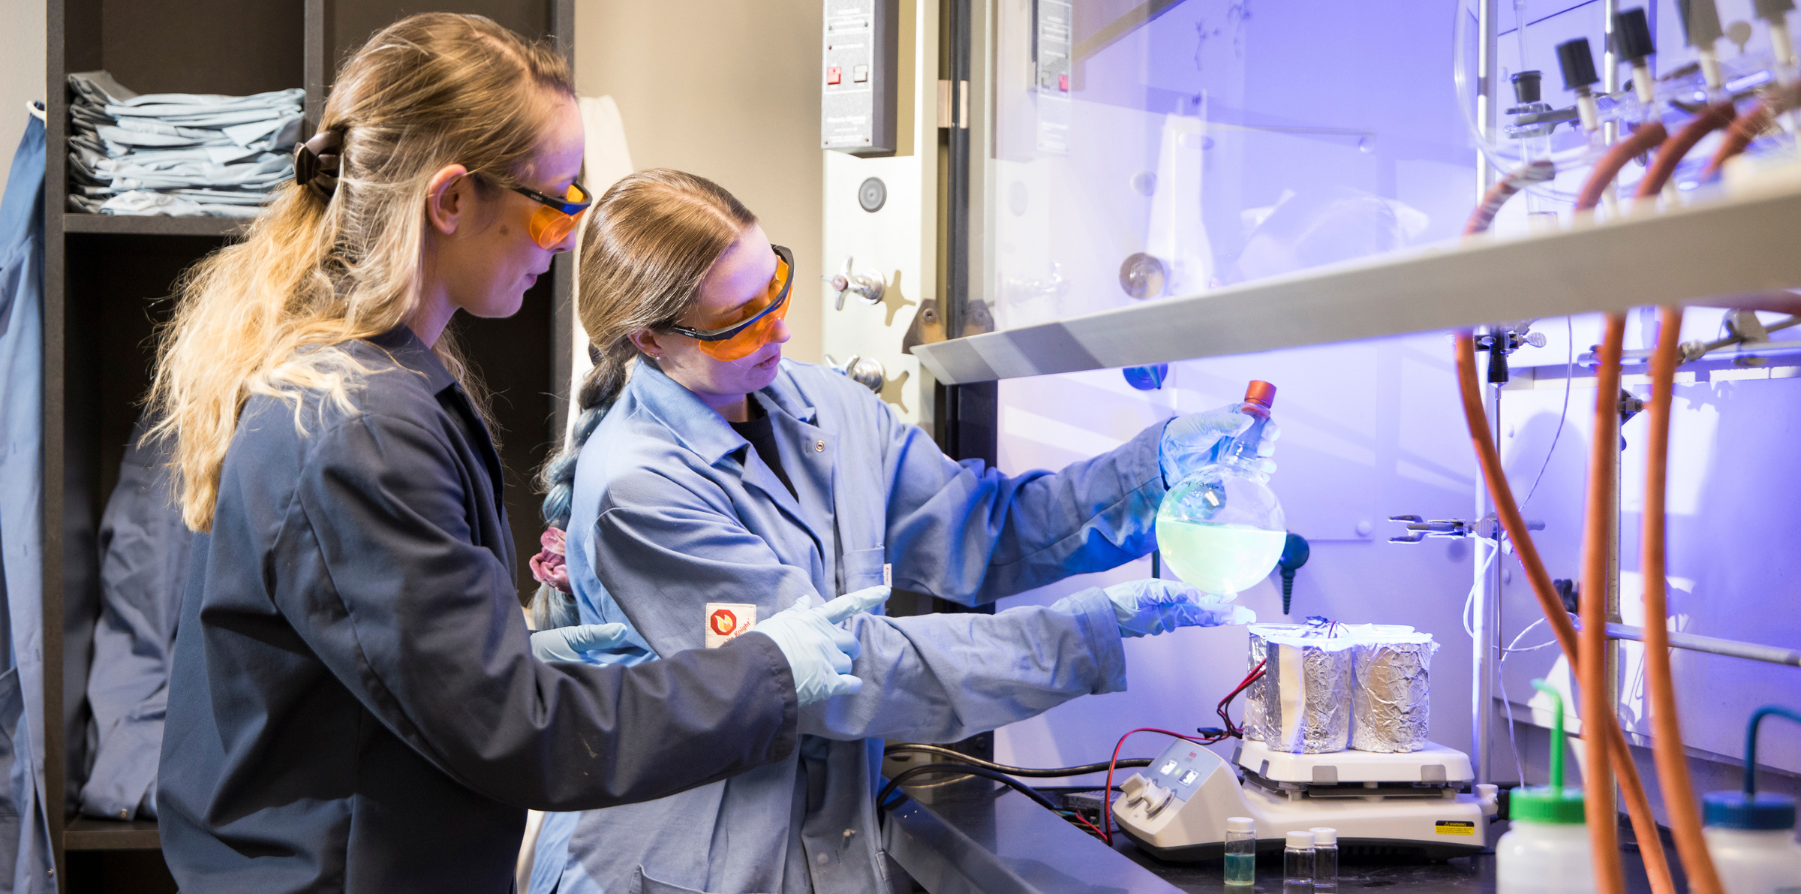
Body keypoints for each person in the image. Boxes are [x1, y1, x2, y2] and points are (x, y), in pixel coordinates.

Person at [147, 16, 883, 892]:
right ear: (452, 200)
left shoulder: (361, 377)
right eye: (554, 202)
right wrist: (765, 672)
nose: (569, 236)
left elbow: (377, 661)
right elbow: (515, 734)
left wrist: (519, 653)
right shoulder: (362, 424)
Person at [526, 170, 1278, 894]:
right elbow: (846, 673)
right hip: (679, 867)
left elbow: (983, 529)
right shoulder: (640, 489)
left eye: (776, 286)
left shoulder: (827, 406)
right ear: (650, 339)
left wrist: (1155, 468)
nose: (780, 328)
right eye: (737, 323)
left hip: (815, 849)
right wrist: (1084, 633)